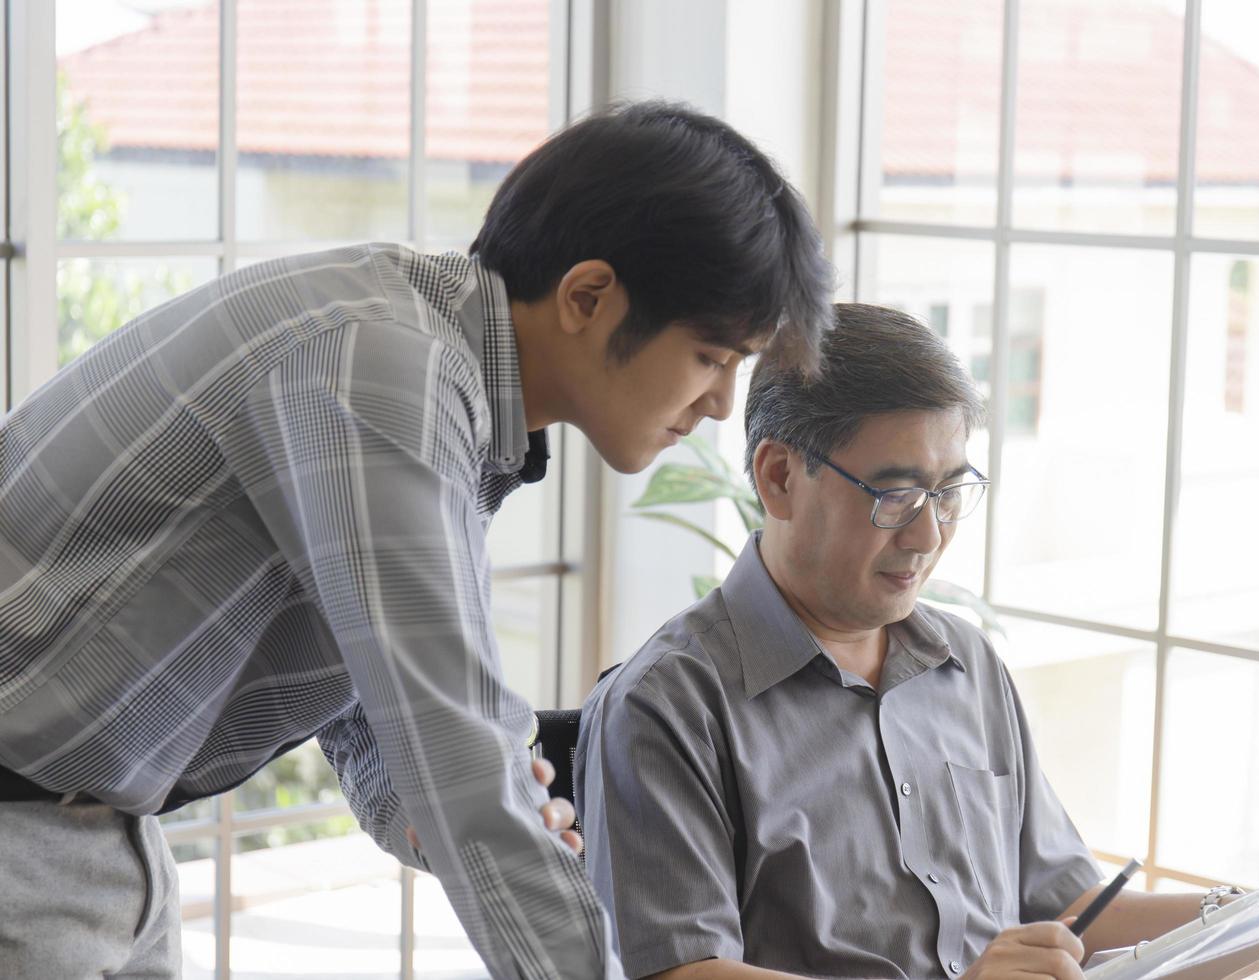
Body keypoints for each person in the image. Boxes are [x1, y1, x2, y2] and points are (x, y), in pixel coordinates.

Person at [0, 100, 832, 978]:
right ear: (588, 297)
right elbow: (454, 749)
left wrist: (480, 810)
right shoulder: (380, 372)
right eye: (711, 356)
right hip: (27, 835)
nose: (720, 404)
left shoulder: (435, 375)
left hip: (98, 834)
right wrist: (479, 798)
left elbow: (382, 722)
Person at [574, 303, 1259, 980]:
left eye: (951, 491)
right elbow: (681, 974)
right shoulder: (665, 704)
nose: (928, 535)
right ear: (779, 476)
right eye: (894, 494)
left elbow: (1066, 910)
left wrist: (1257, 917)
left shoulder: (963, 664)